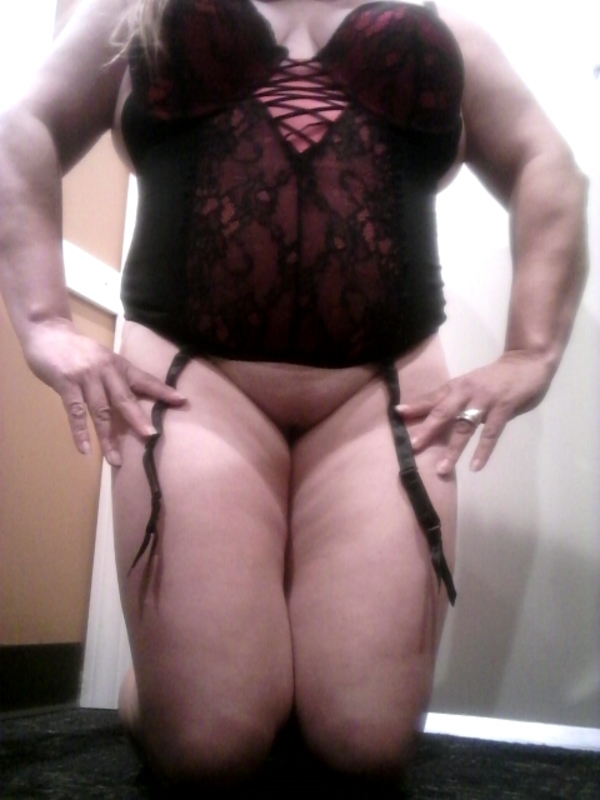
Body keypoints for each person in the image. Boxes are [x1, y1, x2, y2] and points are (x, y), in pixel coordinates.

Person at [0, 0, 587, 791]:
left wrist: (533, 353)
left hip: (383, 393)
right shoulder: (134, 13)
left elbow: (547, 163)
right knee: (207, 750)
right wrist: (43, 322)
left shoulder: (445, 29)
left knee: (366, 744)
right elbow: (25, 125)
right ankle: (178, 689)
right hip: (193, 380)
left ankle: (258, 679)